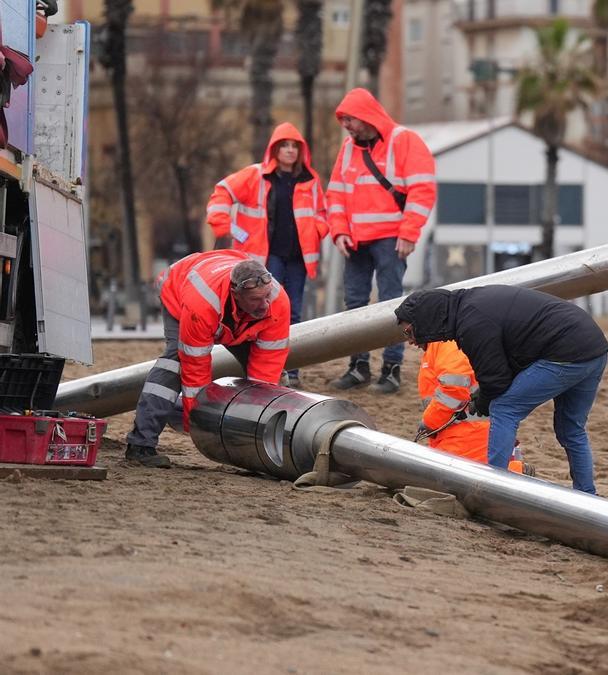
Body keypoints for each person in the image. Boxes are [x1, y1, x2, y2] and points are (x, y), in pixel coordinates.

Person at [394, 286, 608, 494]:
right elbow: (506, 366)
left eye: (409, 332)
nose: (411, 341)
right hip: (594, 349)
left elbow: (496, 381)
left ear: (424, 318)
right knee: (571, 429)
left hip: (566, 353)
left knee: (504, 408)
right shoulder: (470, 308)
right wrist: (482, 396)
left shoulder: (470, 324)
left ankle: (494, 488)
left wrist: (482, 403)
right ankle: (587, 493)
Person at [125, 251, 291, 468]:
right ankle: (141, 445)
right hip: (180, 289)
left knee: (275, 381)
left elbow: (268, 366)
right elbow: (195, 370)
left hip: (234, 317)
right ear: (236, 294)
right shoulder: (202, 304)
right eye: (256, 300)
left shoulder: (277, 301)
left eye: (266, 296)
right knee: (174, 364)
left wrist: (256, 422)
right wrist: (195, 424)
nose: (265, 306)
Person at [327, 88, 436, 394]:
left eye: (350, 118)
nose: (346, 125)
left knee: (392, 306)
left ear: (366, 115)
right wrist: (339, 231)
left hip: (391, 239)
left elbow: (422, 189)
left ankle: (391, 369)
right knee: (355, 306)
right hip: (354, 242)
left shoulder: (404, 141)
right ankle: (358, 367)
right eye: (343, 119)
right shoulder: (348, 148)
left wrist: (408, 232)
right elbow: (335, 194)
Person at [206, 122, 328, 388]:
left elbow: (322, 213)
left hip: (298, 258)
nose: (289, 151)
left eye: (294, 147)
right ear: (274, 149)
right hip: (265, 258)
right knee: (266, 310)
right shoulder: (255, 176)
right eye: (284, 146)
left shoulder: (310, 180)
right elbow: (222, 192)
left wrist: (318, 230)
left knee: (293, 314)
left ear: (301, 151)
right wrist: (224, 225)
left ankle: (289, 370)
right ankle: (265, 367)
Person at [414, 339, 531, 475]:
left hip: (468, 433)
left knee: (456, 477)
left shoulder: (447, 342)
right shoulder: (441, 342)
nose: (410, 341)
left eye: (408, 331)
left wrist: (430, 421)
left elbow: (454, 388)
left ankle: (517, 471)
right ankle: (516, 471)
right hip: (466, 430)